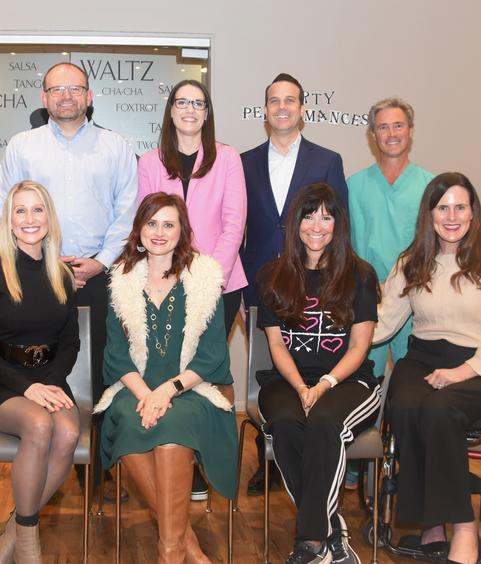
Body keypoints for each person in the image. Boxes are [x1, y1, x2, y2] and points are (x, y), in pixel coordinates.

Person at [0, 61, 138, 500]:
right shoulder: (23, 146)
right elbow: (5, 206)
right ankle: (46, 459)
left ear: (89, 96)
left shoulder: (115, 146)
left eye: (75, 88)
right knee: (45, 363)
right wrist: (42, 261)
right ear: (44, 98)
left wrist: (101, 261)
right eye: (57, 89)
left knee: (102, 374)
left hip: (98, 276)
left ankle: (98, 471)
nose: (66, 96)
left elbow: (128, 211)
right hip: (37, 273)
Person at [376, 172, 481, 564]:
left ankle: (464, 526)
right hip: (422, 358)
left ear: (473, 213)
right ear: (430, 214)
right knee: (404, 405)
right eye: (443, 208)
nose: (452, 216)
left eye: (460, 207)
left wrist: (463, 371)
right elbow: (383, 323)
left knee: (438, 409)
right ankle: (431, 523)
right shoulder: (412, 262)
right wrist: (330, 330)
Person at [95, 192, 238, 564]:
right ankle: (184, 542)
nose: (159, 232)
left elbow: (212, 355)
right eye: (152, 223)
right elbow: (116, 353)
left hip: (191, 388)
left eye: (168, 224)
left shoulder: (205, 277)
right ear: (140, 230)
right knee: (128, 420)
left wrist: (168, 391)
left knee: (173, 433)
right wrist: (148, 395)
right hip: (135, 388)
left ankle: (169, 552)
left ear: (182, 231)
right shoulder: (121, 279)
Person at [256, 183, 381, 564]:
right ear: (295, 223)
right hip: (288, 381)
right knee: (284, 421)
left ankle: (311, 543)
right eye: (309, 216)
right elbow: (277, 345)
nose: (316, 226)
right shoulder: (272, 275)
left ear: (338, 225)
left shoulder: (360, 275)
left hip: (348, 381)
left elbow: (359, 346)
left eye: (326, 217)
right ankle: (331, 527)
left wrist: (325, 384)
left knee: (325, 422)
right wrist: (301, 387)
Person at [240, 72, 349, 497]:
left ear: (302, 108)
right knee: (267, 368)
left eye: (290, 100)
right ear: (265, 110)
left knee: (307, 361)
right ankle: (268, 458)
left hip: (313, 284)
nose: (282, 107)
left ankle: (310, 455)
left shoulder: (327, 160)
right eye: (274, 100)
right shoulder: (245, 161)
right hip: (258, 282)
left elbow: (339, 224)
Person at [137, 79, 246, 500]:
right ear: (170, 110)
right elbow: (147, 220)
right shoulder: (150, 161)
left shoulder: (228, 158)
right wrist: (169, 276)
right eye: (182, 102)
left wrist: (207, 277)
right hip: (164, 283)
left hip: (219, 282)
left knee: (210, 371)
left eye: (198, 103)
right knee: (171, 369)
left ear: (207, 113)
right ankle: (182, 459)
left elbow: (234, 223)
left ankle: (213, 457)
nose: (189, 109)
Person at [0, 181, 80, 563]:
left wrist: (49, 382)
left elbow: (70, 343)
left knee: (68, 433)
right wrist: (26, 388)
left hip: (48, 380)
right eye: (20, 210)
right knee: (40, 425)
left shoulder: (63, 274)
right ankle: (29, 544)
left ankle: (15, 528)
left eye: (37, 209)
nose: (30, 218)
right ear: (9, 221)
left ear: (49, 218)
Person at [348, 97, 434, 379]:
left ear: (411, 130)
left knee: (412, 381)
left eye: (398, 125)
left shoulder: (430, 186)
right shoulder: (355, 186)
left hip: (416, 298)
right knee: (363, 379)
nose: (391, 133)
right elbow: (344, 245)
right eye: (383, 127)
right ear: (373, 134)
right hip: (368, 298)